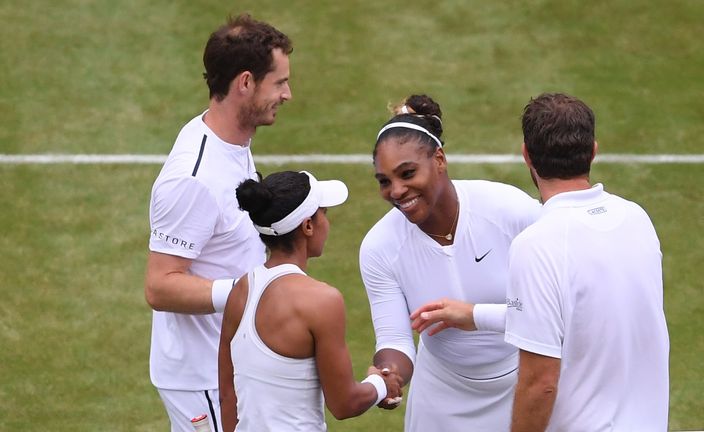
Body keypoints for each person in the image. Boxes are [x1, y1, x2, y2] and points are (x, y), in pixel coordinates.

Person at [411, 93, 670, 431]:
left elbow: (540, 383)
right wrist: (476, 315)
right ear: (593, 150)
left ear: (526, 155)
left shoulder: (537, 244)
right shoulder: (636, 218)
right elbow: (580, 315)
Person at [144, 14, 292, 431]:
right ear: (246, 82)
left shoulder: (232, 141)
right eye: (279, 83)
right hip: (203, 378)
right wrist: (251, 291)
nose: (288, 94)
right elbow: (160, 285)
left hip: (228, 362)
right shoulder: (194, 180)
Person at [358, 94, 541, 431]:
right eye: (384, 181)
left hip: (524, 384)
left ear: (439, 159)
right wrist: (390, 374)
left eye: (407, 173)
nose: (396, 191)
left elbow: (553, 313)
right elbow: (395, 340)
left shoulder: (512, 211)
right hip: (441, 398)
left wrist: (473, 316)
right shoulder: (378, 248)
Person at [217, 171, 403, 432]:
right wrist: (383, 384)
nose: (327, 222)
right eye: (323, 213)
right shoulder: (321, 301)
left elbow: (227, 394)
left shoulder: (241, 291)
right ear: (308, 226)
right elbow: (344, 404)